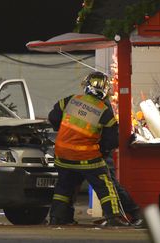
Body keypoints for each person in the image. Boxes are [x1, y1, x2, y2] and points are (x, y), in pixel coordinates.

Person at [48, 71, 127, 226]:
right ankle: (113, 218)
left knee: (64, 187)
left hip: (62, 155)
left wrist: (64, 130)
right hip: (87, 157)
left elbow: (53, 117)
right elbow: (112, 140)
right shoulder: (104, 111)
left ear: (86, 85)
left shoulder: (70, 100)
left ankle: (56, 218)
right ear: (105, 90)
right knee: (105, 186)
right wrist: (102, 151)